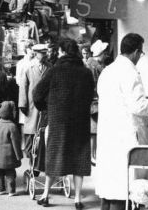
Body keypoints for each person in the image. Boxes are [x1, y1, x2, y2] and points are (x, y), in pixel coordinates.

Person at [95, 33, 148, 210]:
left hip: (110, 136)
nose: (141, 56)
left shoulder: (107, 71)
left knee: (111, 189)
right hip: (127, 137)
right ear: (136, 52)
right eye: (141, 53)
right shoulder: (130, 72)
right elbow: (139, 106)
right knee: (126, 190)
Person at [33, 38, 94, 209]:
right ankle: (78, 199)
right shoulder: (86, 72)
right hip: (80, 120)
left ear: (62, 52)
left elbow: (37, 94)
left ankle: (45, 195)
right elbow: (91, 96)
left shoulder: (54, 71)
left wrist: (47, 108)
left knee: (54, 155)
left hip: (58, 120)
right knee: (79, 158)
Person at [19, 44, 51, 165]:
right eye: (42, 53)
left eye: (45, 53)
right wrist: (23, 104)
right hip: (31, 105)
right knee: (31, 133)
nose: (44, 55)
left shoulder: (49, 67)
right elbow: (23, 86)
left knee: (43, 132)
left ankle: (41, 163)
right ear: (36, 53)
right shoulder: (28, 67)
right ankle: (32, 163)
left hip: (45, 104)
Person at [0, 101, 22, 197]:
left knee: (0, 174)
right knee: (10, 174)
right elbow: (16, 143)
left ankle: (1, 189)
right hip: (9, 156)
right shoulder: (12, 126)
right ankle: (11, 191)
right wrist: (19, 155)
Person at [86, 39, 109, 165]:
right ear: (100, 53)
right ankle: (92, 155)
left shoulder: (92, 65)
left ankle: (93, 154)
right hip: (94, 102)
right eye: (104, 53)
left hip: (95, 102)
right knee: (93, 130)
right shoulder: (94, 66)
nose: (106, 55)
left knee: (94, 130)